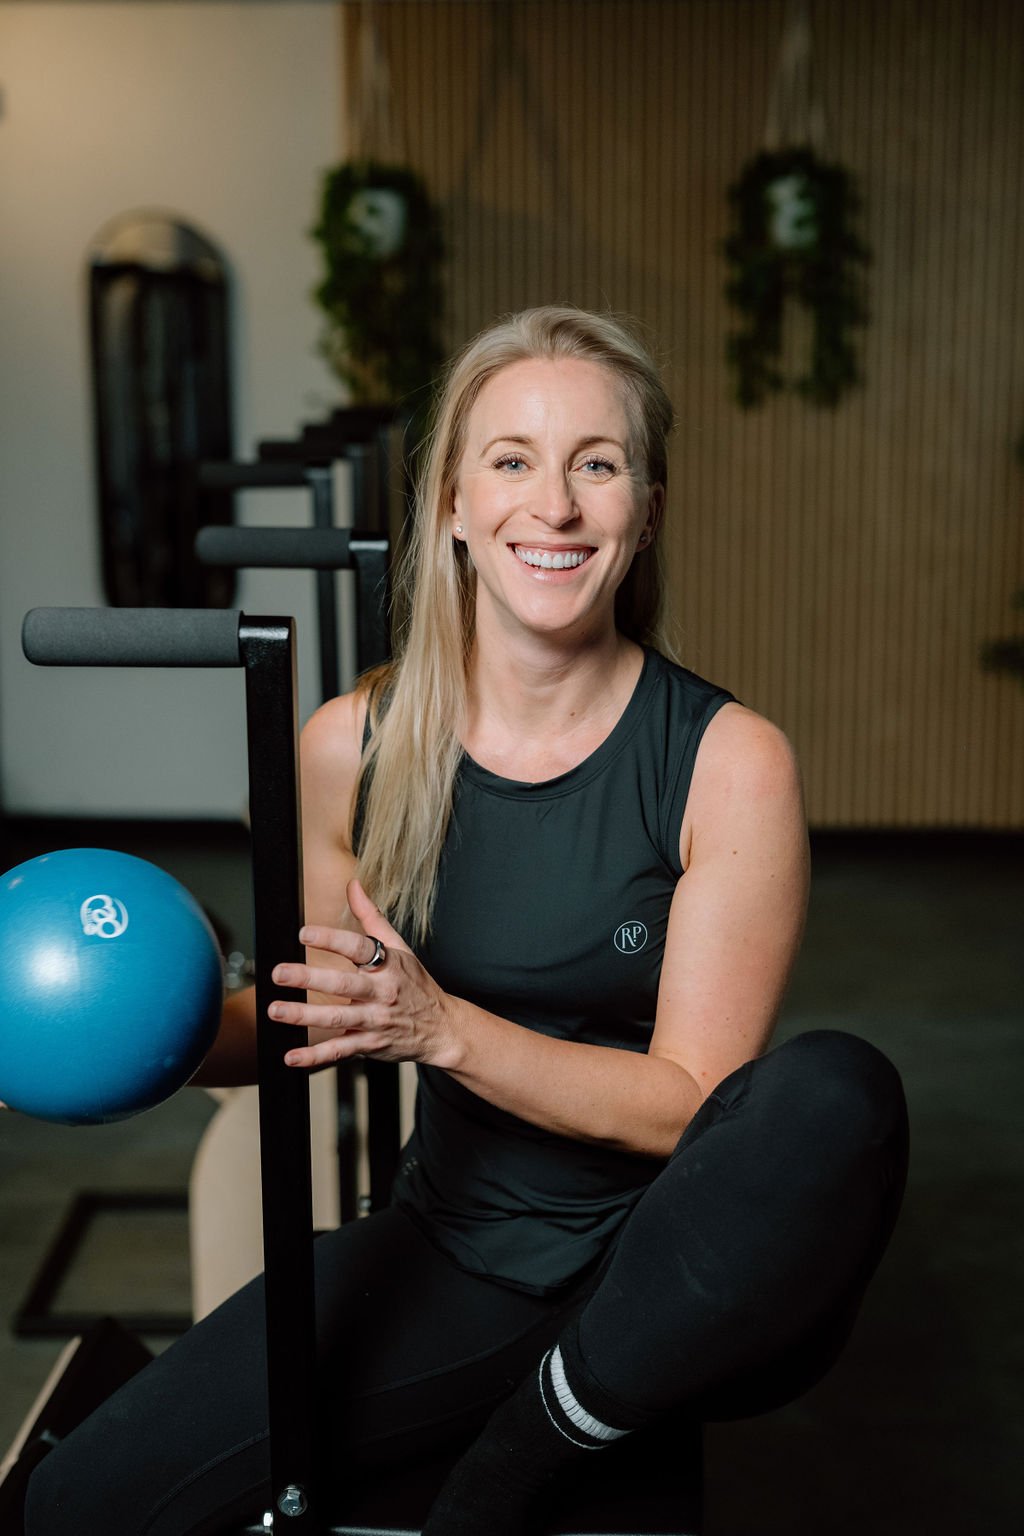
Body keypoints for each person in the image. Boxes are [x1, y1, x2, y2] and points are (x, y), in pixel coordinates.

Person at [25, 306, 908, 1536]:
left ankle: (531, 1449)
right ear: (449, 503)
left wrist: (441, 1029)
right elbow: (296, 1019)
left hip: (680, 1271)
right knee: (77, 1507)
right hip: (461, 1254)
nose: (552, 506)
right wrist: (89, 1033)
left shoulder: (726, 760)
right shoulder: (350, 745)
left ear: (644, 511)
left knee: (834, 1094)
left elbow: (685, 1100)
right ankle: (541, 1398)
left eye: (595, 464)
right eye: (511, 460)